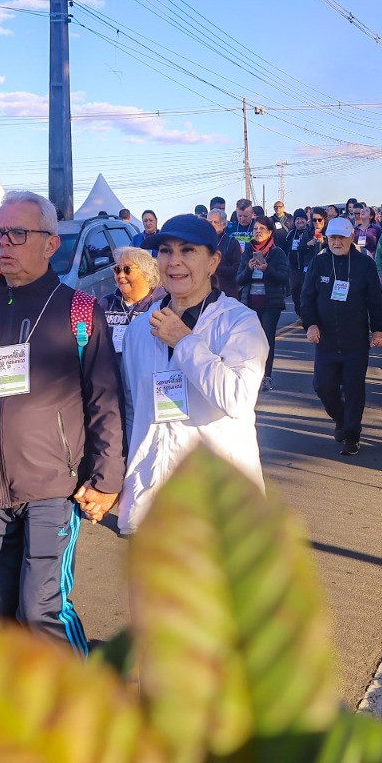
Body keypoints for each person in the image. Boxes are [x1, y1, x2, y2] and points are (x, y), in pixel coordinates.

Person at [0, 192, 122, 655]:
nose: (3, 243)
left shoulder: (79, 310)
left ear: (50, 243)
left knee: (42, 609)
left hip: (54, 488)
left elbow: (105, 400)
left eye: (18, 233)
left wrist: (106, 478)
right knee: (8, 613)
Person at [117, 215, 268, 531]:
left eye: (187, 250)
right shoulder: (139, 329)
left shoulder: (240, 323)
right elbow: (132, 411)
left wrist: (185, 342)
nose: (174, 261)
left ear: (213, 262)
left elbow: (237, 399)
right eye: (166, 251)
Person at [299, 217, 382, 456]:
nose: (336, 242)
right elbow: (307, 297)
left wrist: (378, 329)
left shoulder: (364, 265)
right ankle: (341, 418)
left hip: (355, 341)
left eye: (341, 238)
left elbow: (375, 300)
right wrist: (310, 324)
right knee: (322, 386)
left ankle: (352, 434)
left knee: (354, 389)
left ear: (351, 237)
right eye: (332, 238)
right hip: (326, 340)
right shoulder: (319, 263)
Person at [100, 246, 160, 446]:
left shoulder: (161, 305)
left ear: (147, 273)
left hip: (147, 393)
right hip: (112, 391)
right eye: (117, 270)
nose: (121, 276)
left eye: (127, 270)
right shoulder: (106, 304)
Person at [236, 215, 290, 392]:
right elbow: (239, 279)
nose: (258, 232)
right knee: (250, 340)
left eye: (262, 229)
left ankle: (266, 376)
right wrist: (248, 268)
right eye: (255, 229)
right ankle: (251, 375)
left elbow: (283, 278)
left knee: (266, 339)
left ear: (270, 232)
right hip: (250, 302)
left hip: (270, 304)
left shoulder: (277, 253)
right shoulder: (247, 252)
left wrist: (267, 269)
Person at [207, 209, 242, 295]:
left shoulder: (232, 242)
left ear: (223, 224)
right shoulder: (202, 242)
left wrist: (215, 268)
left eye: (216, 222)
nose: (212, 225)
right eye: (210, 222)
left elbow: (237, 268)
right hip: (207, 291)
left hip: (226, 290)